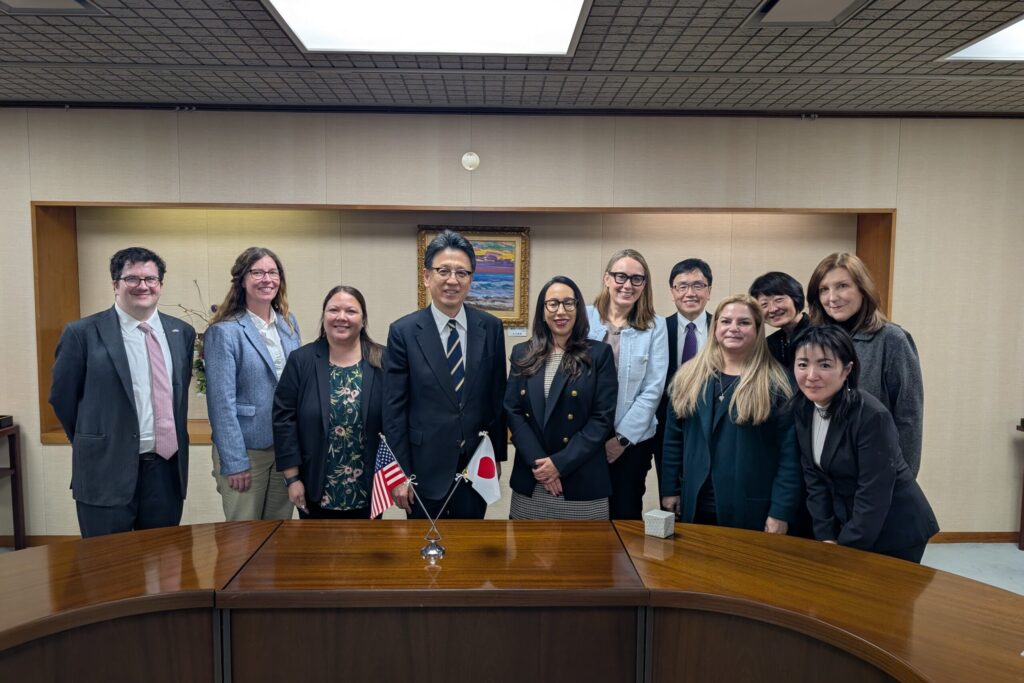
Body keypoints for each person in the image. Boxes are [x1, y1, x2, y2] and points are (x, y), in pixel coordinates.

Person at [49, 247, 196, 537]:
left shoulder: (182, 332)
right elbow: (62, 397)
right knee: (106, 567)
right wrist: (92, 438)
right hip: (105, 466)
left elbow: (178, 394)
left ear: (161, 285)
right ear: (115, 284)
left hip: (165, 471)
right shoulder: (82, 333)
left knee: (163, 562)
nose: (143, 286)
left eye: (151, 279)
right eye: (132, 278)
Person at [383, 229, 507, 519]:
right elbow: (394, 410)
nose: (453, 280)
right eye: (444, 271)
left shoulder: (490, 327)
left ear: (471, 279)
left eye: (462, 272)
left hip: (475, 466)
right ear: (427, 276)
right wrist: (400, 473)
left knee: (470, 551)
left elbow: (496, 397)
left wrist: (497, 456)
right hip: (423, 468)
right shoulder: (403, 332)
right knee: (425, 550)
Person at [790, 325, 938, 562]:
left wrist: (848, 546)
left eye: (825, 364)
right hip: (850, 522)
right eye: (803, 364)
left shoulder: (871, 415)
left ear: (847, 369)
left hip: (895, 527)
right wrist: (826, 535)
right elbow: (814, 479)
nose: (811, 375)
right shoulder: (803, 408)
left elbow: (873, 492)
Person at [660, 294, 800, 533]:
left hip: (750, 508)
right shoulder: (689, 376)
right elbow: (673, 439)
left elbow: (790, 456)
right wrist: (670, 489)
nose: (733, 328)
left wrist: (781, 511)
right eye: (725, 321)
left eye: (744, 322)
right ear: (715, 329)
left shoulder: (777, 382)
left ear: (758, 330)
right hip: (694, 505)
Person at [505, 276, 617, 520]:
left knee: (584, 555)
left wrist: (559, 464)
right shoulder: (522, 353)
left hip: (581, 481)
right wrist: (541, 466)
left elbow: (602, 419)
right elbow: (512, 410)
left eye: (568, 303)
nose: (561, 311)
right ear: (542, 311)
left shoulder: (599, 354)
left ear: (578, 308)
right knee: (525, 556)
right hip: (532, 482)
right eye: (552, 304)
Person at [205, 247, 301, 521]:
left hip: (285, 450)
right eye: (257, 272)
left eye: (272, 272)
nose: (266, 279)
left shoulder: (288, 324)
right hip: (247, 452)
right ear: (242, 279)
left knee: (278, 533)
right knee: (243, 538)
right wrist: (234, 462)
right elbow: (221, 404)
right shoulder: (224, 331)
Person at [807, 252, 924, 477]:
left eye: (842, 286)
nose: (832, 297)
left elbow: (909, 418)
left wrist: (902, 480)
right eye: (824, 289)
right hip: (822, 475)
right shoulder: (814, 340)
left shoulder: (892, 339)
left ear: (863, 289)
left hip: (874, 473)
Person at [273, 286, 384, 519]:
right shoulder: (301, 361)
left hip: (369, 488)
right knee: (317, 554)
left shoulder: (384, 360)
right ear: (324, 317)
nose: (341, 317)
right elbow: (284, 421)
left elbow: (397, 421)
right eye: (334, 310)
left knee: (366, 553)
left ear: (363, 320)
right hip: (313, 487)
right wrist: (292, 479)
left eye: (351, 311)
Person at [587, 248, 668, 519]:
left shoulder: (655, 326)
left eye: (636, 279)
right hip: (583, 436)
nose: (627, 285)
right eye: (620, 276)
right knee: (585, 514)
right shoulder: (583, 318)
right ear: (606, 278)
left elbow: (653, 389)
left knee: (624, 513)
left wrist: (621, 439)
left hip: (632, 441)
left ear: (645, 284)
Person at [654, 258, 713, 491]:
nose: (690, 293)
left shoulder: (724, 328)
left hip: (709, 425)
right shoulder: (656, 330)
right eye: (682, 286)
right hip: (663, 427)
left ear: (709, 291)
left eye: (698, 285)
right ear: (672, 292)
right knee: (668, 495)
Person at [749, 271, 810, 369]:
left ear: (796, 298)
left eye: (778, 300)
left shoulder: (820, 334)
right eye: (764, 305)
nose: (773, 309)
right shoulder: (770, 343)